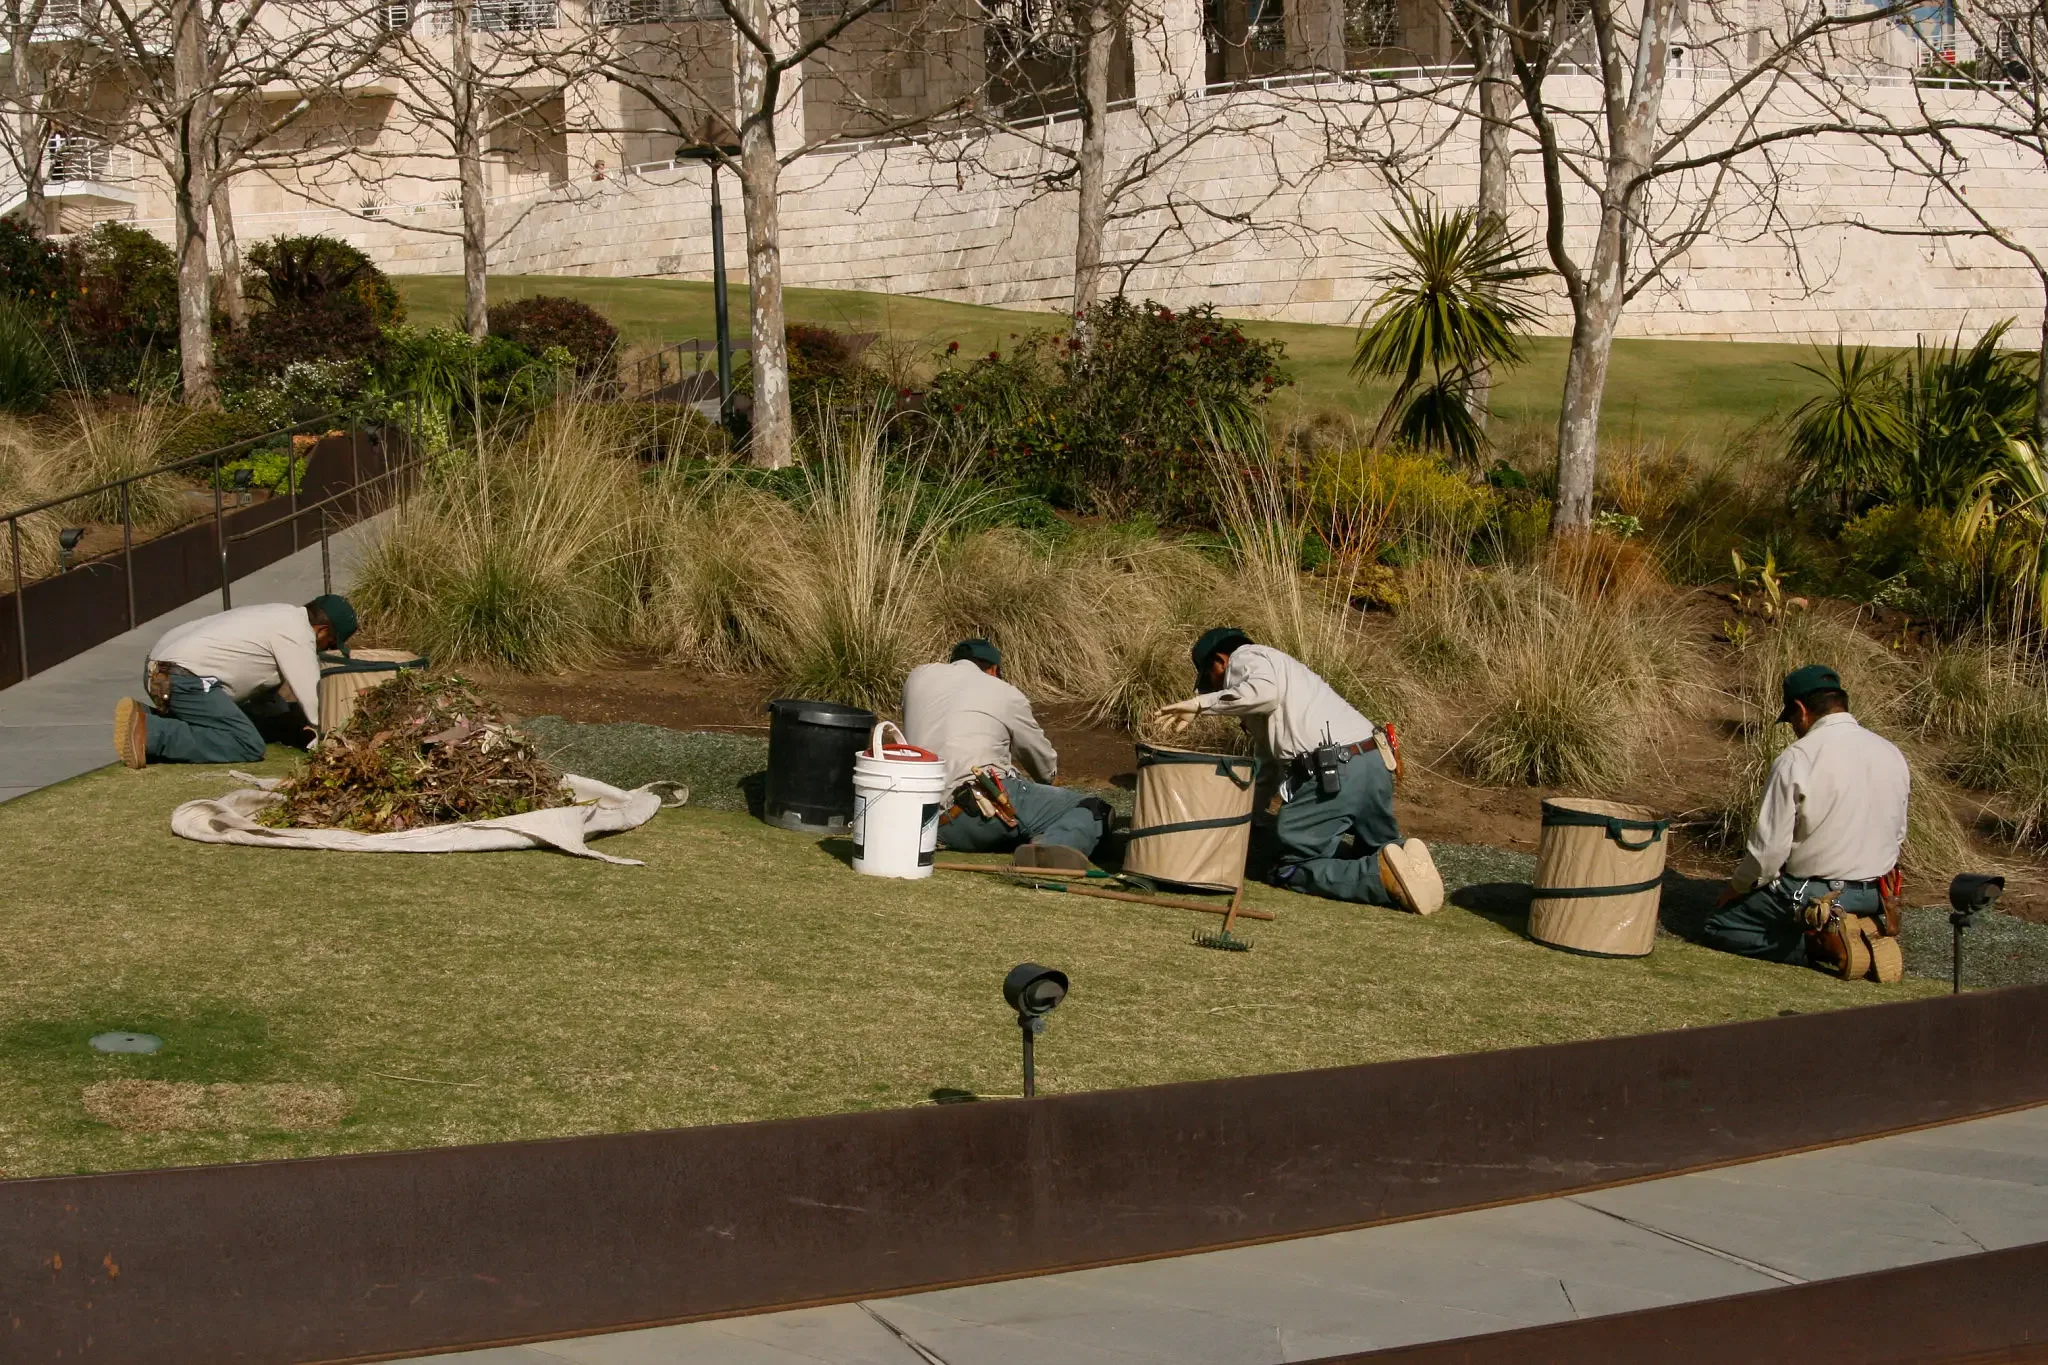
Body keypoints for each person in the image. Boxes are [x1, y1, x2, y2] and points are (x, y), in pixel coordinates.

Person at [1152, 628, 1443, 914]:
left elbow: (1264, 693)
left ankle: (1379, 878)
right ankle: (1404, 859)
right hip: (1374, 761)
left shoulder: (1246, 658)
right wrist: (1244, 818)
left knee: (1290, 866)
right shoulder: (1284, 674)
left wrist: (1202, 704)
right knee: (1376, 847)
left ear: (1220, 660)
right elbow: (1267, 766)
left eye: (1208, 679)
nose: (1214, 689)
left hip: (1336, 771)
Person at [1703, 664, 1909, 976]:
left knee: (1719, 925)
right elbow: (1897, 835)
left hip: (1817, 894)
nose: (1794, 729)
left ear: (1800, 710)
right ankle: (1857, 928)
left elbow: (1768, 854)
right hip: (1876, 895)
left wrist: (1737, 887)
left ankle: (1823, 943)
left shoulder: (1798, 757)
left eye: (1791, 721)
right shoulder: (1891, 752)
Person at [901, 638, 1109, 870]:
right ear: (993, 669)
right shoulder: (1005, 692)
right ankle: (1051, 848)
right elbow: (1042, 762)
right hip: (975, 809)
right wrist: (1048, 781)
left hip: (921, 817)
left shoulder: (917, 678)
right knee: (1094, 808)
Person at [113, 595, 359, 769]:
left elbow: (265, 698)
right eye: (329, 643)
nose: (323, 650)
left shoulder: (277, 614)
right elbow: (315, 702)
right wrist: (334, 740)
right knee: (246, 743)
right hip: (185, 679)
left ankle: (145, 715)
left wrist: (282, 720)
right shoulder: (297, 633)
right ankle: (153, 733)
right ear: (322, 631)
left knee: (251, 723)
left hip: (159, 670)